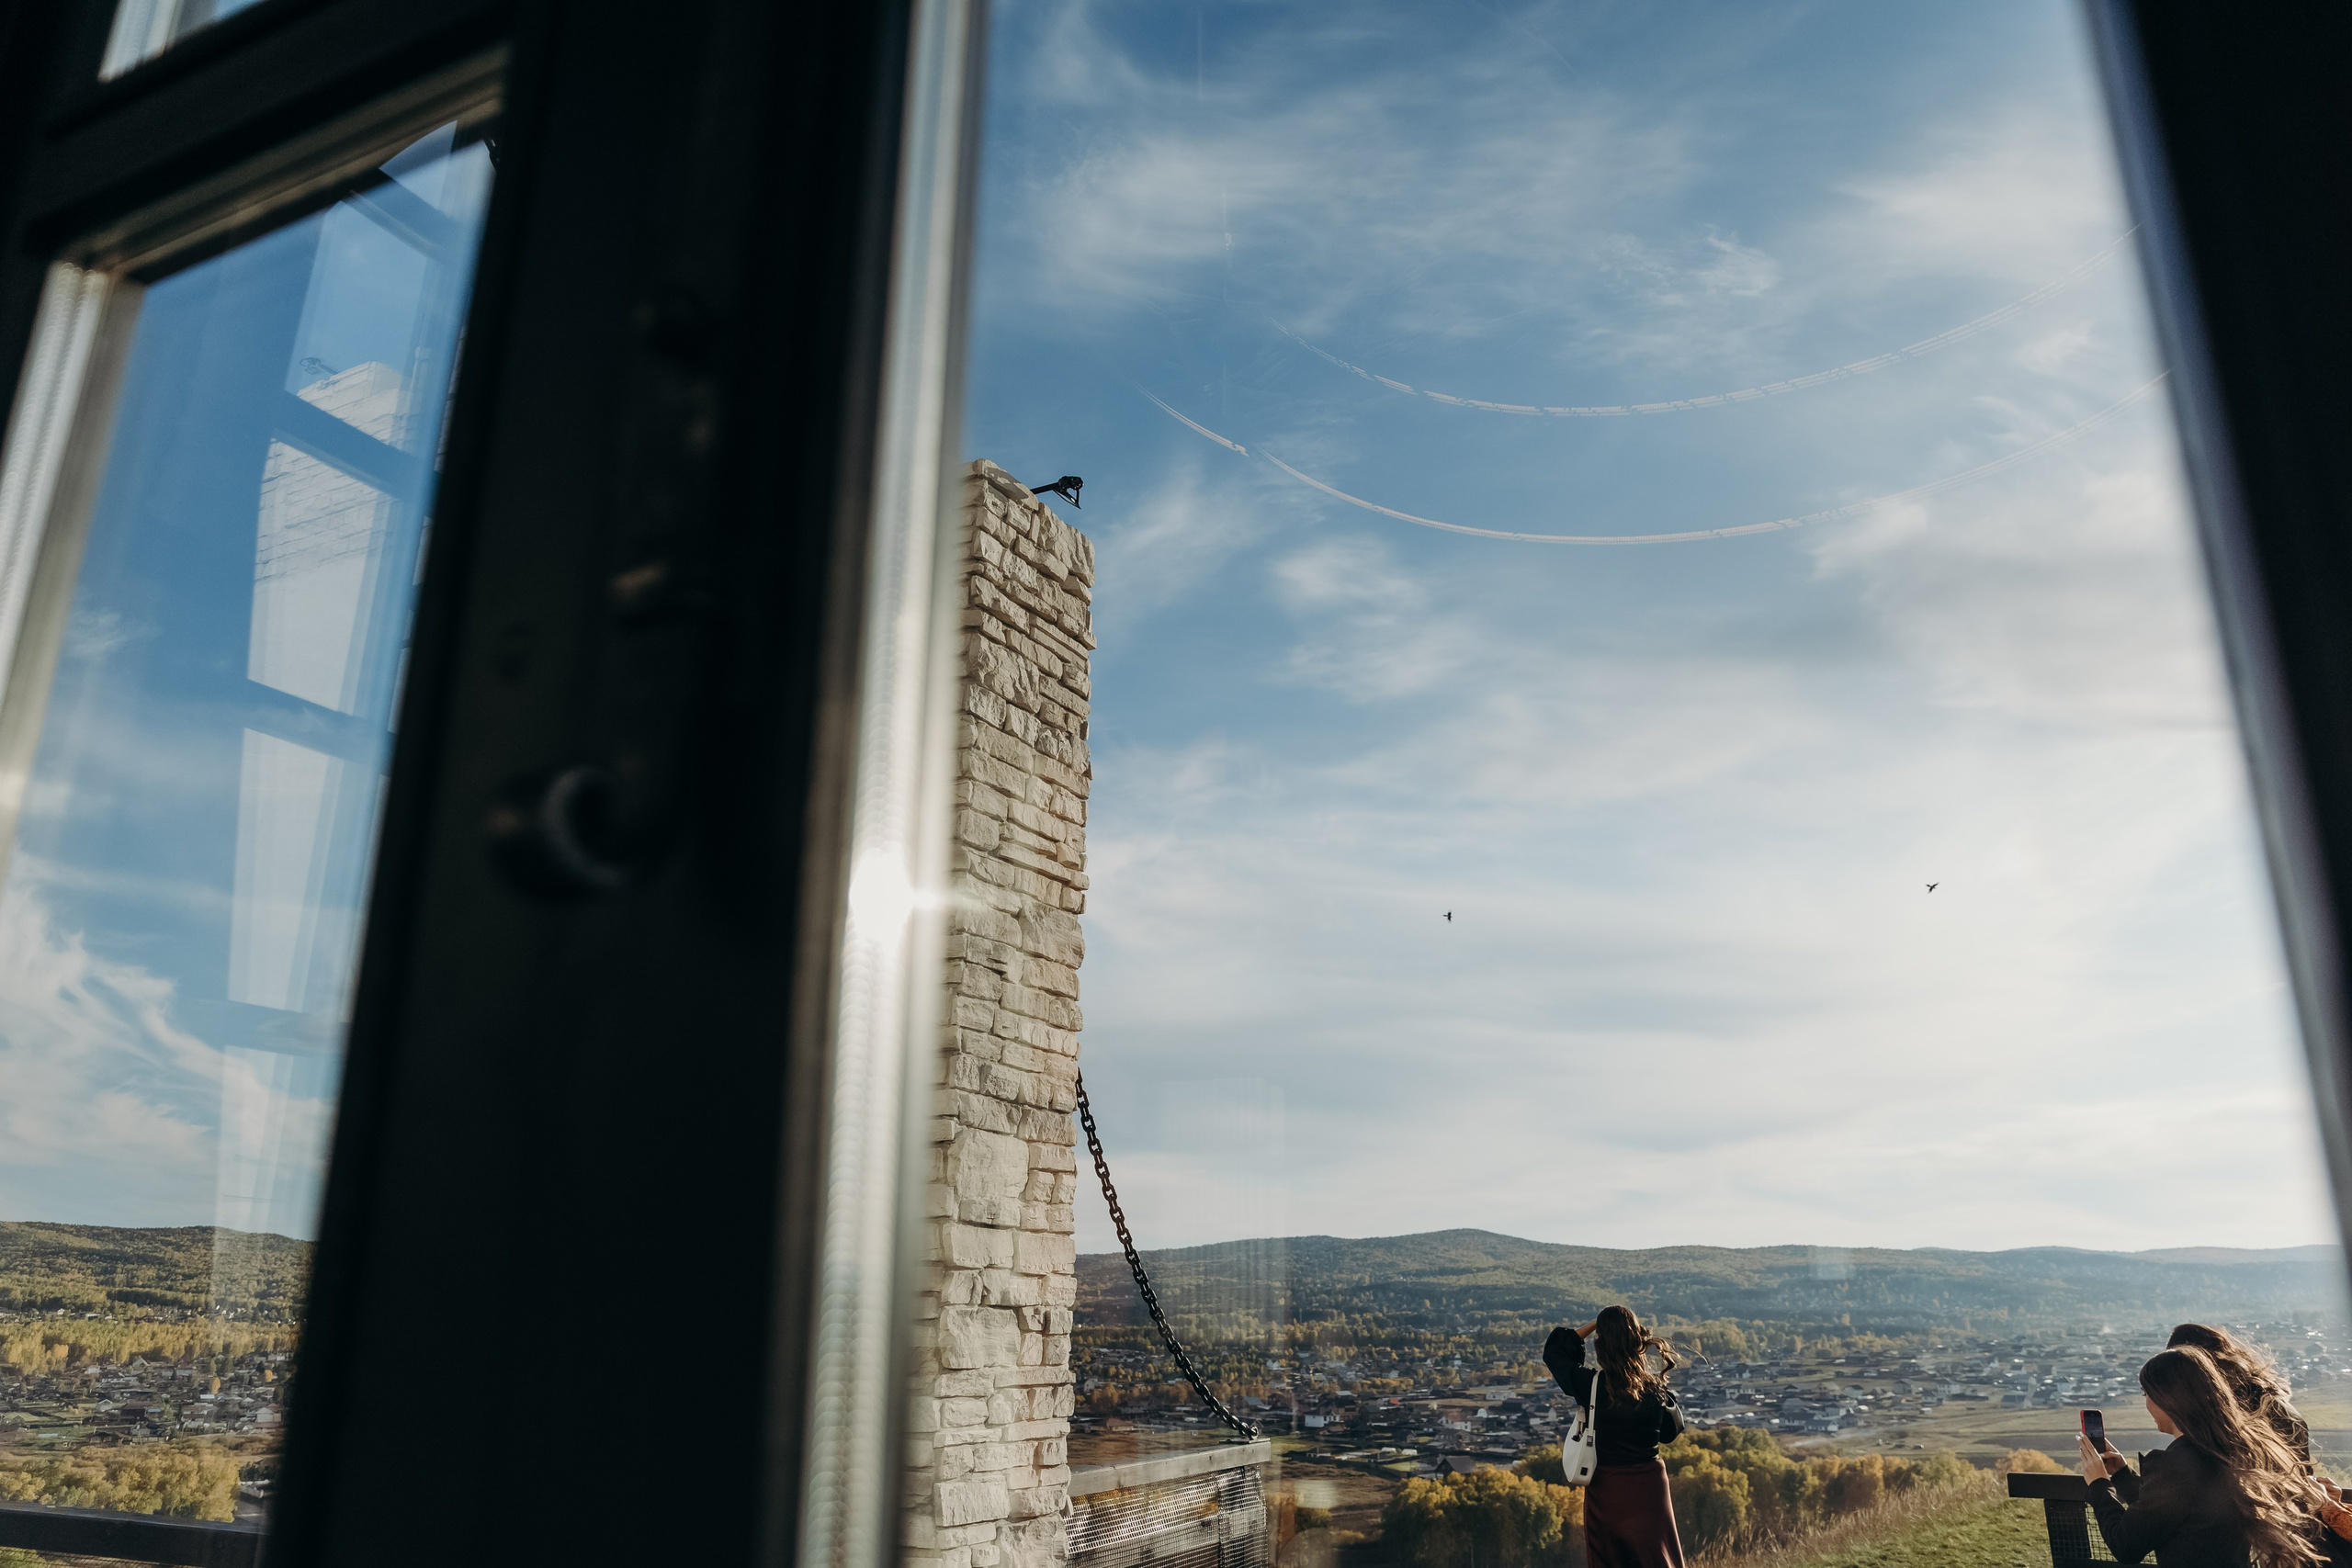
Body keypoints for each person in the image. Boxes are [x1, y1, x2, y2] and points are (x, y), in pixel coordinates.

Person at [2078, 1345, 2326, 1568]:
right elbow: (2168, 1511)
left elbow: (2126, 1546)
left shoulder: (2175, 1465)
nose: (2147, 1405)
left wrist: (2099, 1485)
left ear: (2167, 1398)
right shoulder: (2228, 1452)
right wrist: (2121, 1475)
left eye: (2146, 1394)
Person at [1544, 1305, 1689, 1568]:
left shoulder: (1591, 1385)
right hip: (1651, 1487)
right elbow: (1671, 1432)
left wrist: (1593, 1325)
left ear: (1601, 1346)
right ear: (1637, 1341)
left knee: (1612, 1559)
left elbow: (1554, 1352)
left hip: (1607, 1487)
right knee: (1656, 1555)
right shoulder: (1655, 1389)